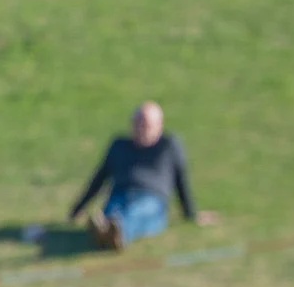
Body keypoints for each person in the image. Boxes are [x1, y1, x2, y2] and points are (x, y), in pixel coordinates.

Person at [68, 102, 217, 250]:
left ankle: (116, 233)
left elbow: (181, 181)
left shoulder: (169, 145)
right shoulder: (119, 145)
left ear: (159, 125)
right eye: (138, 123)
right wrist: (78, 208)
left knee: (137, 212)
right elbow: (99, 177)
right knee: (112, 211)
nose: (141, 129)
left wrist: (190, 214)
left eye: (147, 125)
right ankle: (104, 231)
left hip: (152, 198)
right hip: (119, 194)